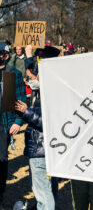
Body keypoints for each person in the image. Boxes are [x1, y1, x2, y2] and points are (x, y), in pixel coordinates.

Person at [14, 45, 60, 210]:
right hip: (44, 147)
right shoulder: (41, 90)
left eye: (30, 77)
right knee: (47, 190)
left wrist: (26, 112)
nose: (28, 80)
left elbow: (47, 122)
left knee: (43, 193)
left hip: (41, 148)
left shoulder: (50, 91)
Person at [0, 44, 26, 209]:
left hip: (3, 124)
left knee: (1, 162)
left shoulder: (11, 74)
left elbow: (21, 99)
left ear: (5, 56)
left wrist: (17, 122)